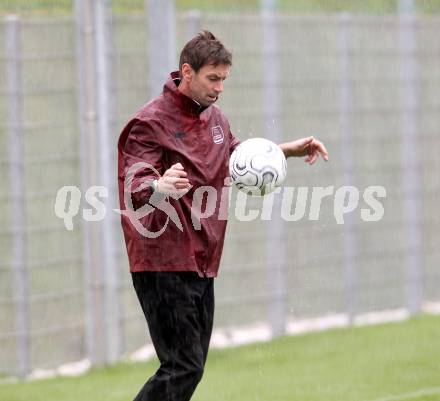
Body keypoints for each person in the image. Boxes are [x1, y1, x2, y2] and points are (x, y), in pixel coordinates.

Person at [117, 30, 328, 401]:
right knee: (183, 366)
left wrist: (285, 152)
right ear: (187, 71)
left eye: (223, 80)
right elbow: (134, 186)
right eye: (212, 78)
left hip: (202, 258)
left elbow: (235, 160)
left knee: (188, 368)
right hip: (162, 260)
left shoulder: (216, 119)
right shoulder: (149, 122)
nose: (219, 88)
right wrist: (158, 185)